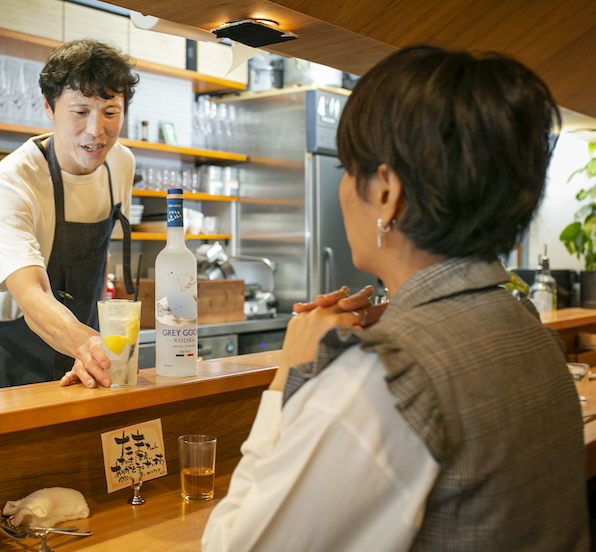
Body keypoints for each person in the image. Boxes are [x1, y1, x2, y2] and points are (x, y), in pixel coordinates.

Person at [202, 46, 589, 551]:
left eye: (346, 167)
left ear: (386, 192)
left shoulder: (381, 382)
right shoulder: (527, 329)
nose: (342, 187)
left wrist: (288, 377)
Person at [0, 40, 139, 390]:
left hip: (83, 355)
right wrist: (88, 344)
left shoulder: (120, 163)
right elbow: (32, 296)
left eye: (110, 112)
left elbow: (96, 264)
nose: (96, 130)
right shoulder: (11, 183)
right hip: (16, 361)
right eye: (79, 111)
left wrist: (92, 343)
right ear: (48, 106)